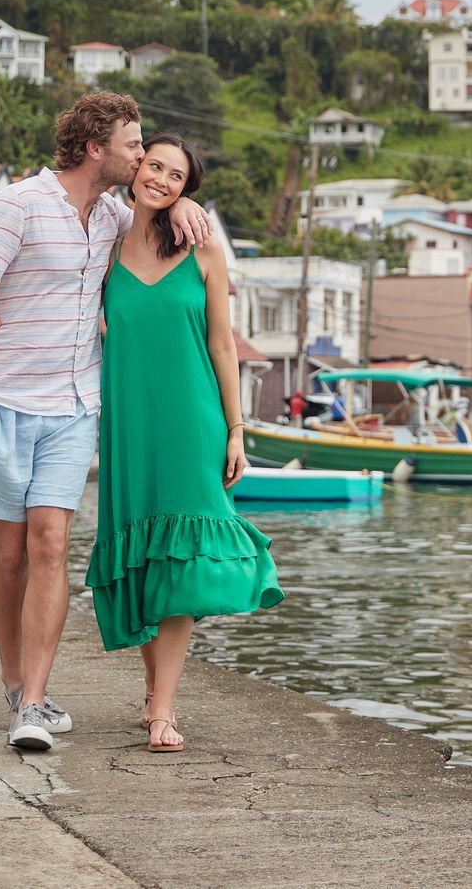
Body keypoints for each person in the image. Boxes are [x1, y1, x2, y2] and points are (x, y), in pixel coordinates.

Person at [0, 92, 213, 753]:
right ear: (96, 146)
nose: (141, 154)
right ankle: (16, 682)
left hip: (72, 407)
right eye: (132, 143)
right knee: (8, 552)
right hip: (5, 402)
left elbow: (157, 218)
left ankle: (33, 703)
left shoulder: (112, 218)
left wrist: (183, 201)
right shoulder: (17, 204)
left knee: (50, 545)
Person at [85, 134, 282, 754]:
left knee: (182, 557)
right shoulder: (106, 243)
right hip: (128, 423)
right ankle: (153, 694)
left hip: (191, 418)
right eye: (156, 167)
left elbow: (223, 345)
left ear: (187, 192)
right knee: (143, 558)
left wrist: (236, 428)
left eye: (177, 178)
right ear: (135, 167)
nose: (163, 181)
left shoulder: (203, 246)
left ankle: (164, 708)